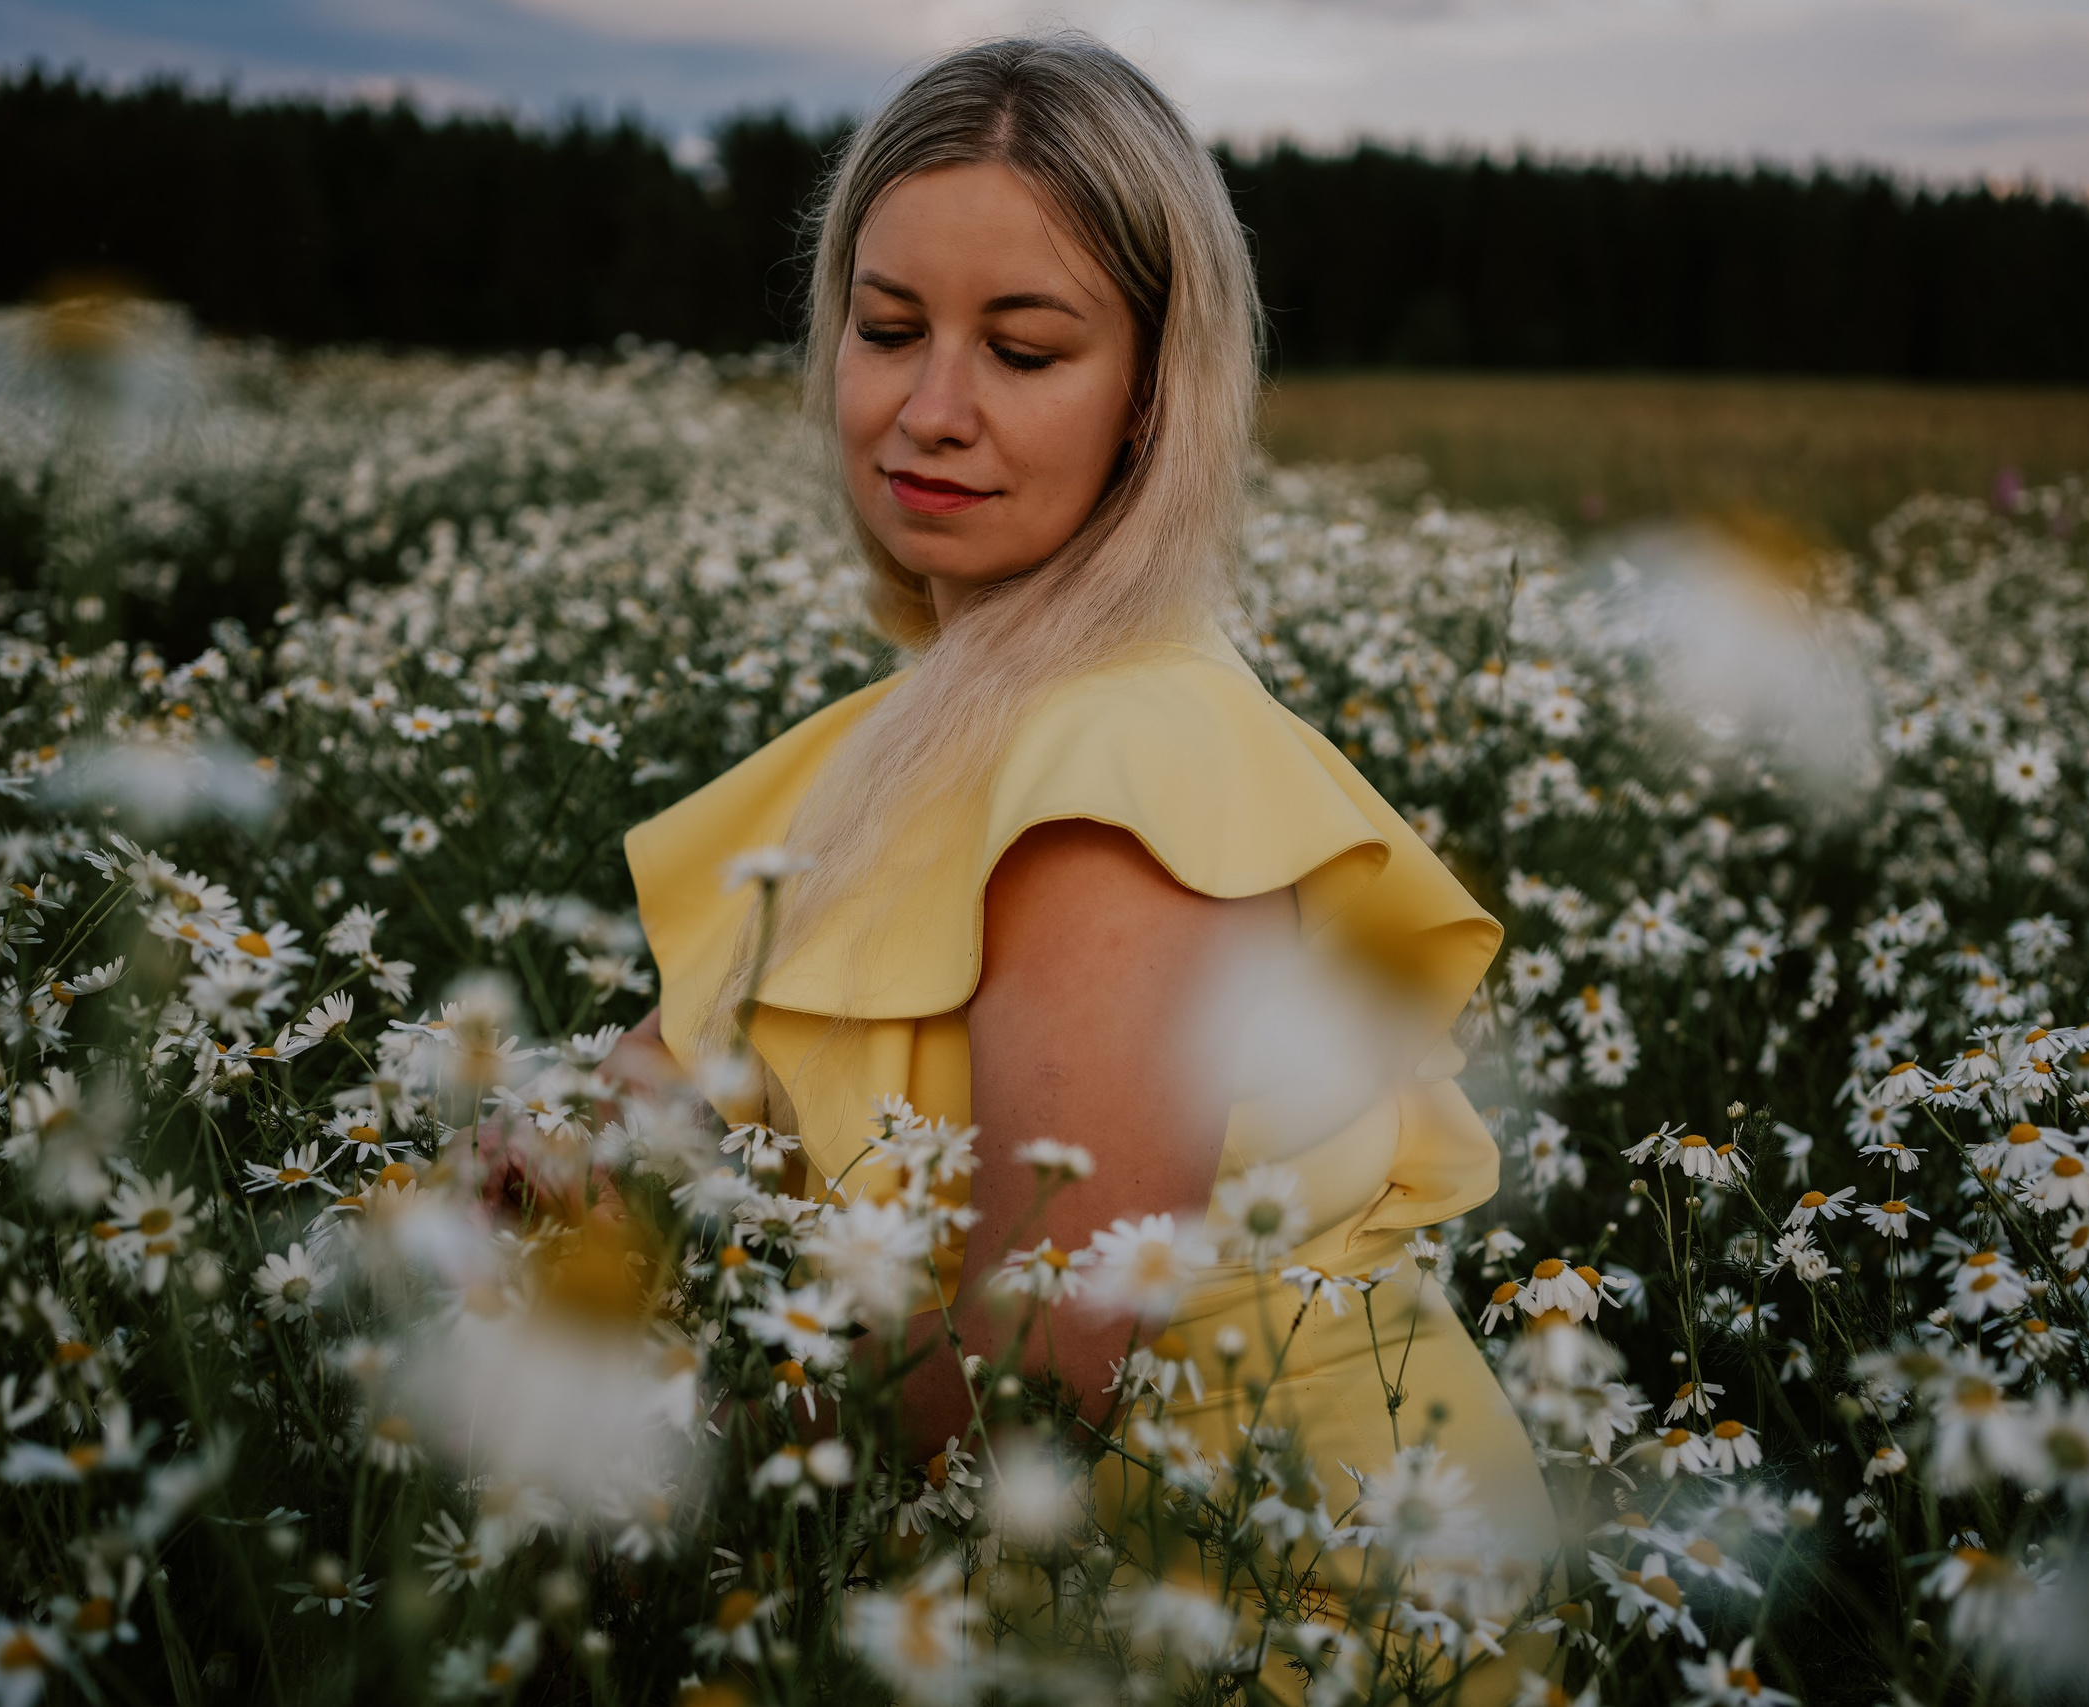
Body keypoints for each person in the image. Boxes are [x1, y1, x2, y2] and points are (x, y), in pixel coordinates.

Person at [616, 33, 1553, 1690]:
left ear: (1151, 401)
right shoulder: (918, 727)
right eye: (886, 327)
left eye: (1025, 349)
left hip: (1272, 1622)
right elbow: (681, 1076)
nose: (930, 408)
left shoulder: (1123, 766)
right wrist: (558, 1178)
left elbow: (1027, 1368)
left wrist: (636, 1400)